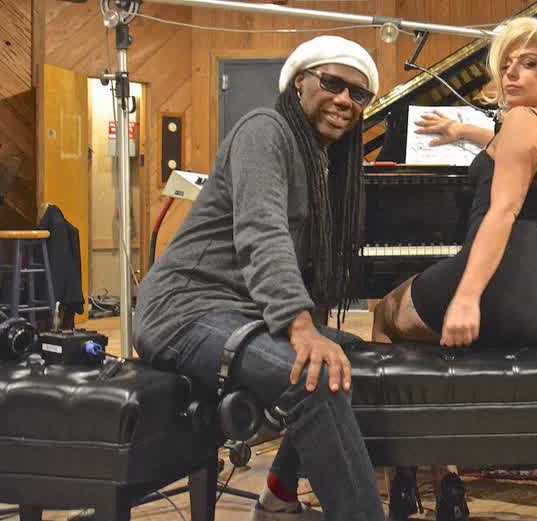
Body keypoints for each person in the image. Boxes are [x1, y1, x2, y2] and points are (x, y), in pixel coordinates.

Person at [133, 36, 386, 521]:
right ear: (299, 84)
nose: (344, 100)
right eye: (333, 83)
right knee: (315, 377)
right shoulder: (264, 130)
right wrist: (301, 328)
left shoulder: (319, 160)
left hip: (238, 313)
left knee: (358, 360)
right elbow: (261, 230)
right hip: (184, 311)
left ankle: (278, 500)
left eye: (358, 94)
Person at [372, 16, 537, 521]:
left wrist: (467, 298)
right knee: (430, 337)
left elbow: (502, 212)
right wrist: (460, 130)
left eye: (529, 64)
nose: (511, 73)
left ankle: (409, 469)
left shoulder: (521, 121)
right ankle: (446, 481)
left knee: (386, 316)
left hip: (494, 290)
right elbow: (508, 150)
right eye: (508, 63)